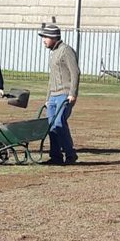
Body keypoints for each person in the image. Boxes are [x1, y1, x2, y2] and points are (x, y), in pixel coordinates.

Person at [39, 24, 80, 165]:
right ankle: (55, 157)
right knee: (51, 126)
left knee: (59, 123)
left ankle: (70, 154)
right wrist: (47, 98)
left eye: (45, 37)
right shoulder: (53, 53)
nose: (43, 40)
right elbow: (52, 78)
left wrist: (72, 93)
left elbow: (75, 72)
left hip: (64, 94)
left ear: (53, 37)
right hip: (53, 96)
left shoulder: (66, 50)